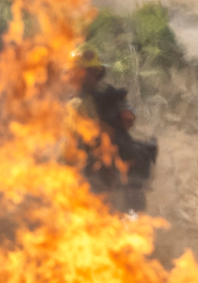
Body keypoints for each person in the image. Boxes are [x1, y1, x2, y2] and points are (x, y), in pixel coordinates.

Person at [66, 48, 158, 212]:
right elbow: (130, 118)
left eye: (76, 72)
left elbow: (76, 144)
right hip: (121, 172)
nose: (72, 77)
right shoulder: (114, 96)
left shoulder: (78, 104)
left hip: (95, 177)